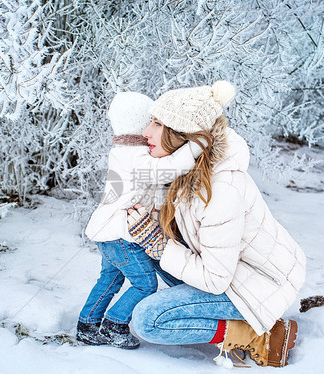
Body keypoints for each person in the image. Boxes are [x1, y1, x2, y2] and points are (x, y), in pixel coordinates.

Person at [126, 81, 306, 367]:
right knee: (150, 256)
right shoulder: (186, 169)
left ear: (182, 134)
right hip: (229, 269)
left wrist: (157, 243)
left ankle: (254, 335)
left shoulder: (221, 188)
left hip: (259, 283)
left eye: (157, 124)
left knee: (148, 320)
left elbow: (214, 278)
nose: (146, 132)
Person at [78, 92, 203, 349]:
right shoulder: (134, 156)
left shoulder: (122, 152)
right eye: (150, 121)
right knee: (145, 284)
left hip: (108, 233)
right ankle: (114, 325)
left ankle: (87, 325)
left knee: (109, 280)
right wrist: (193, 147)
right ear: (138, 123)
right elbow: (166, 169)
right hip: (123, 235)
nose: (150, 128)